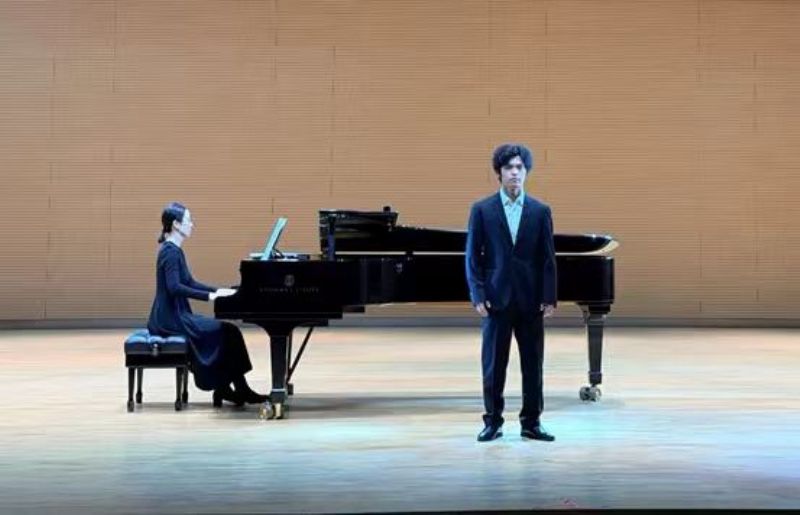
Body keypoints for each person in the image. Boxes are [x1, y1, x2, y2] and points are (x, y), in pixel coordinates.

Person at [465, 143, 557, 442]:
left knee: (533, 365)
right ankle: (492, 422)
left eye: (520, 167)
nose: (515, 172)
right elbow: (472, 256)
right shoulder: (482, 210)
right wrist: (478, 294)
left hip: (531, 300)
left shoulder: (540, 211)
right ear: (499, 173)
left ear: (526, 171)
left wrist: (549, 296)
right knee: (493, 366)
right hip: (496, 299)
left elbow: (547, 258)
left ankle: (532, 422)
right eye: (509, 168)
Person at [147, 202, 267, 407]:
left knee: (227, 332)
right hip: (169, 319)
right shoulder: (170, 252)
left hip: (175, 315)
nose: (192, 224)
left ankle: (228, 388)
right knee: (227, 331)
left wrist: (218, 291)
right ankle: (232, 388)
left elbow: (190, 282)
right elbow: (174, 288)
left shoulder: (174, 250)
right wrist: (210, 297)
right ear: (176, 224)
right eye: (188, 220)